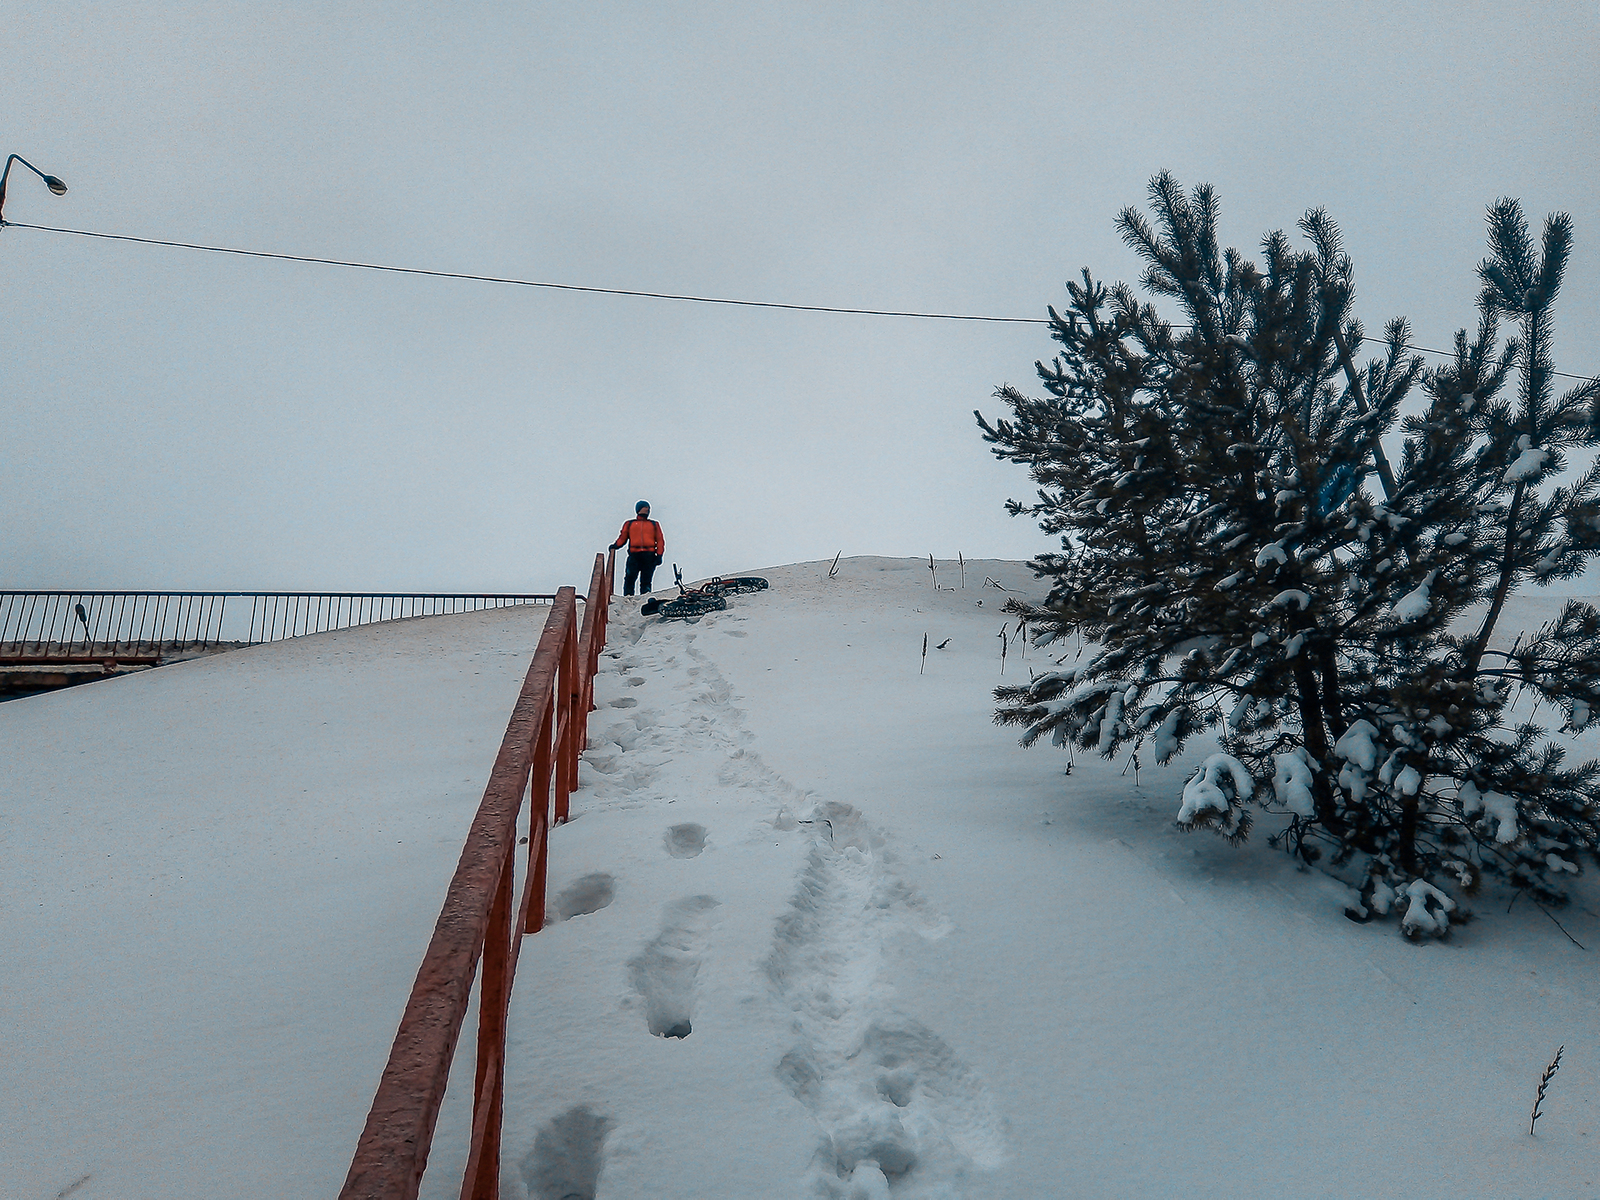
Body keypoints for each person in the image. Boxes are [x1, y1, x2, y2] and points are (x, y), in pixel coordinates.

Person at [611, 501, 665, 595]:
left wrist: (659, 555)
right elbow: (623, 537)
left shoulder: (654, 524)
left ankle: (645, 597)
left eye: (648, 508)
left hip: (649, 555)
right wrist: (615, 546)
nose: (647, 510)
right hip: (634, 555)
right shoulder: (629, 524)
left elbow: (660, 540)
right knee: (630, 578)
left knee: (646, 579)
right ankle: (628, 597)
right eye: (645, 508)